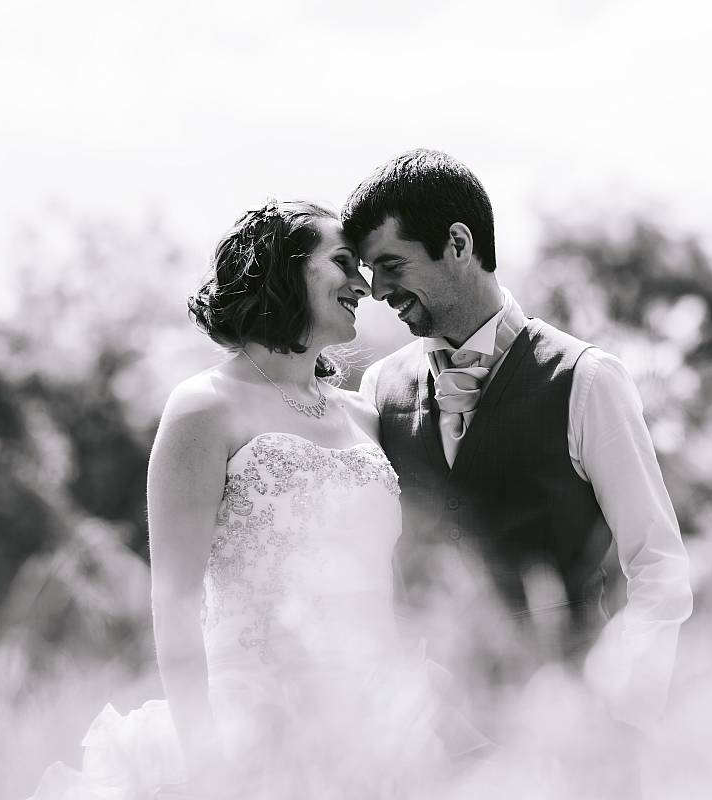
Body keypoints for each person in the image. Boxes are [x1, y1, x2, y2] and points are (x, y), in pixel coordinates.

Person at [28, 200, 459, 800]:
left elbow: (393, 581)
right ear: (284, 267)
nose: (364, 285)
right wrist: (206, 762)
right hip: (253, 733)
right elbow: (174, 599)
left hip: (374, 730)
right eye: (343, 262)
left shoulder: (365, 416)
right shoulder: (203, 407)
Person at [345, 150, 694, 789]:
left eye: (391, 265)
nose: (378, 291)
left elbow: (659, 567)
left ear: (458, 243)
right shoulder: (377, 389)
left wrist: (619, 713)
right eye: (369, 272)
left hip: (574, 744)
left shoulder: (587, 380)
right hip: (436, 752)